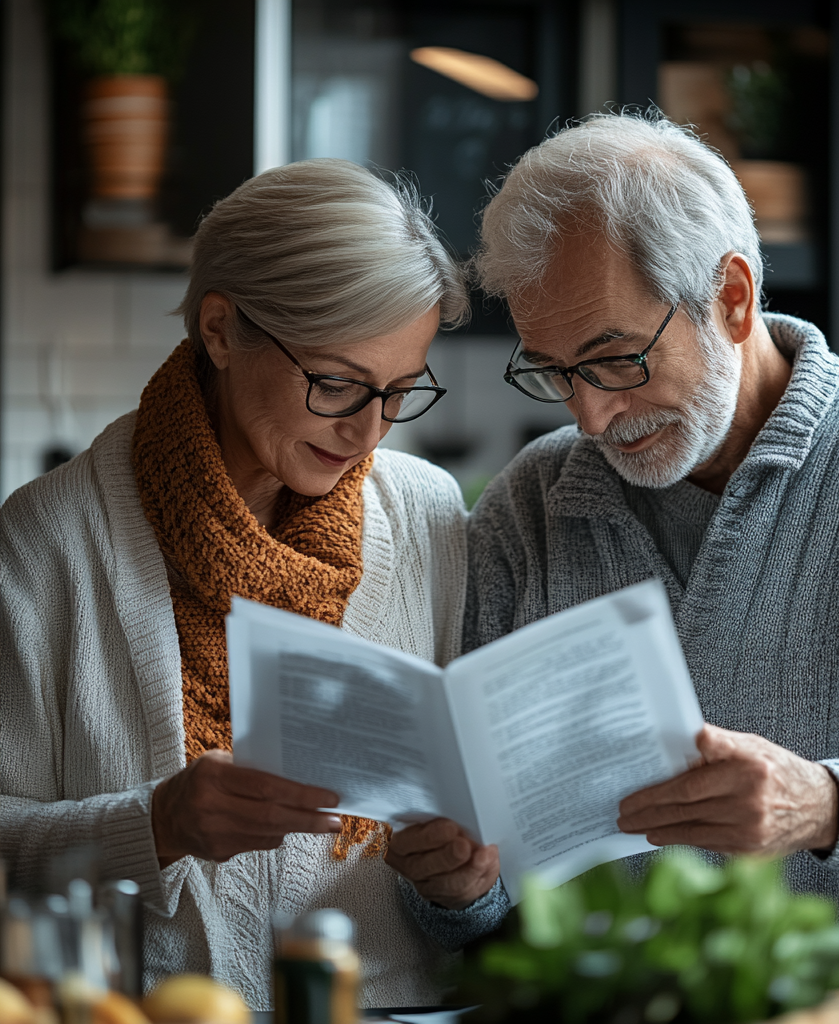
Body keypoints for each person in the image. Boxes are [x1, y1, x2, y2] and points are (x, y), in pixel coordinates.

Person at [462, 112, 839, 995]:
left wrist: (830, 806)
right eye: (554, 371)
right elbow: (484, 889)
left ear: (732, 296)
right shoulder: (529, 505)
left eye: (615, 360)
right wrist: (454, 888)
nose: (590, 416)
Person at [0, 160, 504, 1008]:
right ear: (223, 330)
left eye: (399, 392)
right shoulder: (49, 542)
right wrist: (157, 824)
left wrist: (465, 880)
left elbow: (479, 836)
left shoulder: (428, 517)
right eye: (337, 384)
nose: (368, 431)